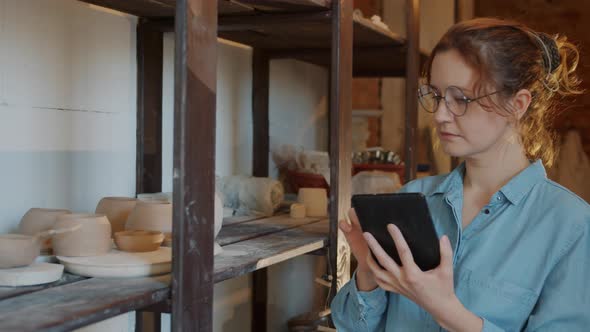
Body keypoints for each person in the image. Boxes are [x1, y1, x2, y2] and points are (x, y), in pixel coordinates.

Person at [331, 17, 590, 331]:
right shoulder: (414, 198)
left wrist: (444, 309)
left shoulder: (572, 225)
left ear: (517, 104)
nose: (440, 115)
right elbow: (350, 325)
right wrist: (369, 272)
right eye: (437, 96)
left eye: (462, 99)